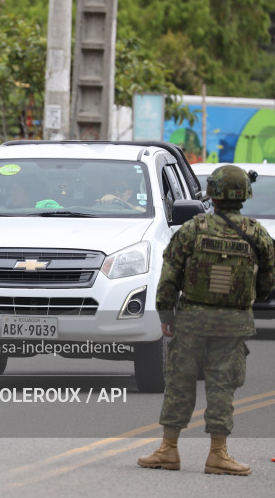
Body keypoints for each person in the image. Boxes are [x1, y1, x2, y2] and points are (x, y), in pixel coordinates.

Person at [137, 165, 275, 476]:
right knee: (222, 386)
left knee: (179, 384)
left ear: (210, 193)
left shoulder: (193, 229)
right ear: (244, 195)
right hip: (233, 323)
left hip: (191, 320)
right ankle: (218, 454)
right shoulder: (257, 233)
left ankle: (168, 449)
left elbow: (169, 274)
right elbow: (268, 283)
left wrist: (165, 314)